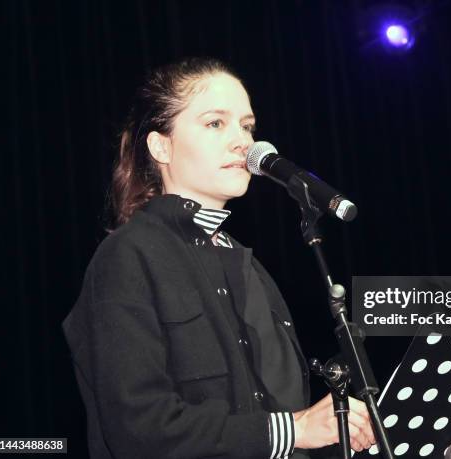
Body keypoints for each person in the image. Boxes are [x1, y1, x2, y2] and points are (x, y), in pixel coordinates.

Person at [62, 57, 375, 459]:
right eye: (215, 123)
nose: (242, 142)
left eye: (247, 126)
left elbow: (277, 421)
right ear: (161, 145)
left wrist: (336, 428)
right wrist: (294, 428)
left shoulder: (250, 269)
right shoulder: (128, 256)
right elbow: (138, 429)